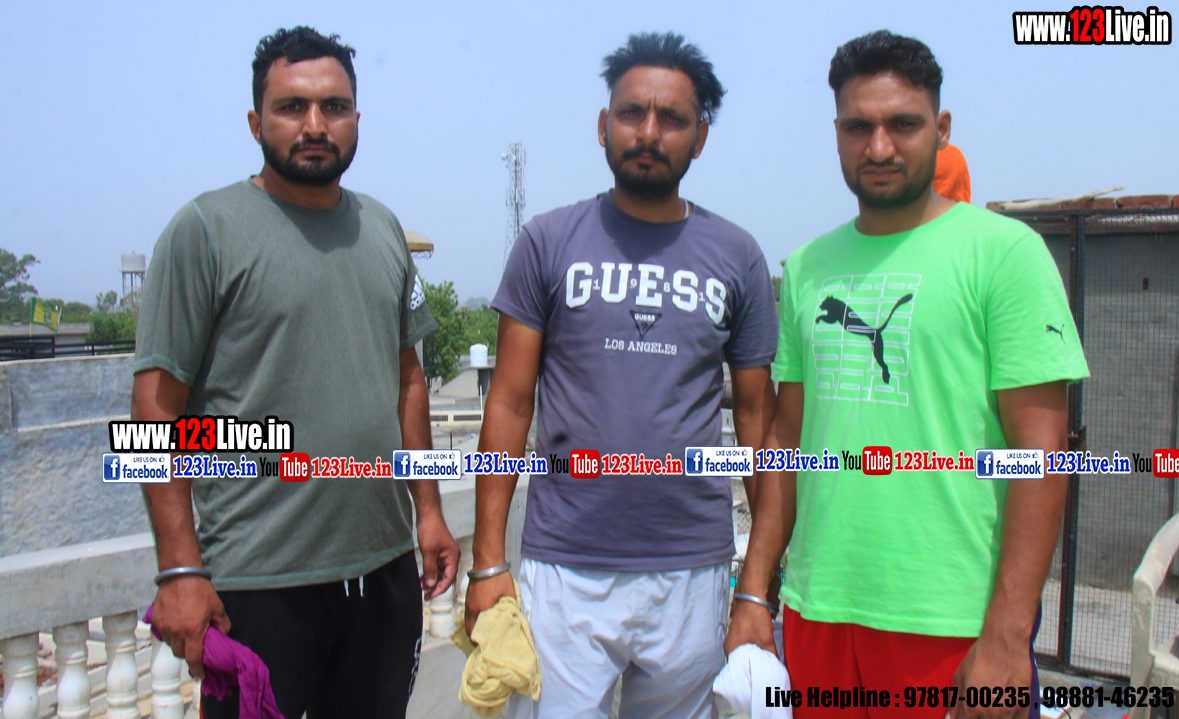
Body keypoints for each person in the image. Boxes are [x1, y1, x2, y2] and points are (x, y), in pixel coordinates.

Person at [725, 30, 1088, 719]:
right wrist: (754, 588)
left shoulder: (1006, 255)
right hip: (817, 612)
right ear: (836, 134)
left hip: (953, 622)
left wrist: (1007, 637)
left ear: (941, 129)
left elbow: (1041, 454)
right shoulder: (807, 267)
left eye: (903, 124)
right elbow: (785, 438)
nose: (880, 146)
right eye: (858, 127)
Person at [133, 26, 459, 719]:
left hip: (382, 572)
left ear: (356, 118)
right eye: (291, 107)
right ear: (256, 122)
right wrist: (180, 568)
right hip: (257, 583)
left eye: (333, 106)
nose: (315, 125)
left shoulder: (382, 228)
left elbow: (408, 379)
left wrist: (429, 511)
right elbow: (156, 410)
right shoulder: (206, 230)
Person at [464, 31, 778, 719]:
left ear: (700, 138)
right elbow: (509, 403)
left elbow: (760, 423)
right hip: (563, 567)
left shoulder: (738, 256)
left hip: (693, 571)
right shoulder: (548, 241)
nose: (649, 132)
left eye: (673, 118)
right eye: (632, 113)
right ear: (603, 125)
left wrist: (756, 585)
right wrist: (488, 561)